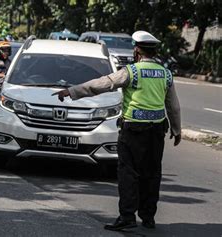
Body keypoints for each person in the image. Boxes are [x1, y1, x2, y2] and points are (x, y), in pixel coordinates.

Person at [53, 31, 181, 231]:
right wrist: (176, 129)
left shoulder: (132, 71)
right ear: (154, 51)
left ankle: (127, 216)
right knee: (152, 173)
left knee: (128, 173)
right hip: (157, 132)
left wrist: (72, 91)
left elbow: (103, 83)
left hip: (133, 131)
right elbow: (173, 105)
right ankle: (148, 217)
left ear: (137, 50)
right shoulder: (165, 73)